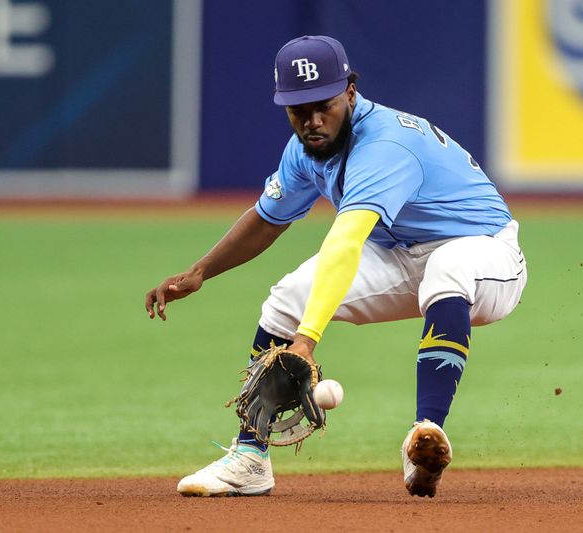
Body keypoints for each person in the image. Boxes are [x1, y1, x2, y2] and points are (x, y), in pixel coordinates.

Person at [145, 35, 527, 498]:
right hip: (399, 253)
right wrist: (201, 270)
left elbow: (345, 242)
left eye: (322, 104)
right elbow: (268, 219)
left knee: (447, 268)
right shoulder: (305, 148)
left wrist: (306, 342)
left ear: (349, 91)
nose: (312, 120)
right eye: (297, 108)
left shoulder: (385, 144)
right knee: (287, 299)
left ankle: (425, 435)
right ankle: (249, 458)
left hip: (486, 252)